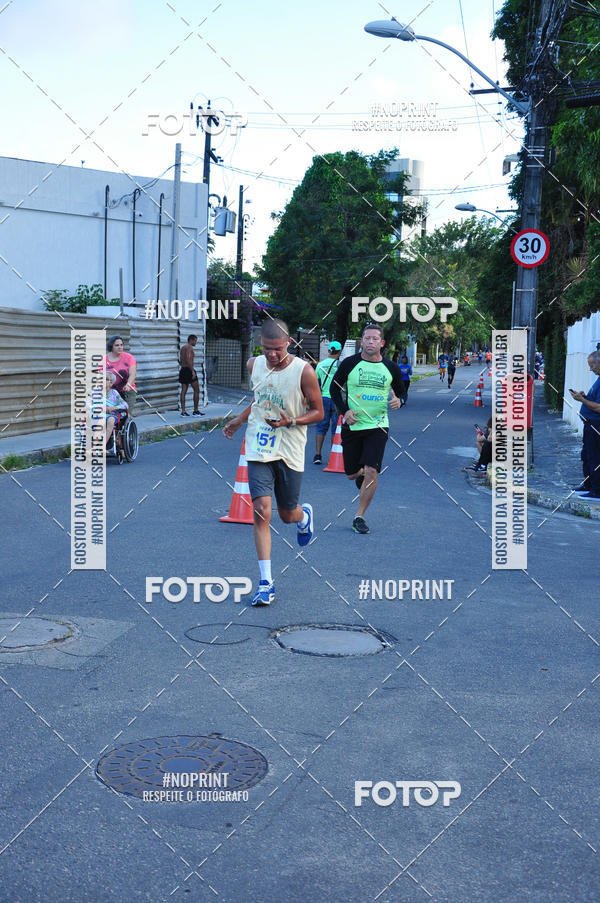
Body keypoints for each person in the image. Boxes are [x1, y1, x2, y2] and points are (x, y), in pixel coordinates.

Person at [222, 318, 324, 606]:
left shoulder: (303, 371)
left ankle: (303, 517)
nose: (271, 355)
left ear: (288, 343)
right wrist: (240, 420)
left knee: (286, 514)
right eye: (266, 349)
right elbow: (258, 400)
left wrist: (291, 420)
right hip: (259, 445)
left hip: (290, 447)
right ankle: (266, 582)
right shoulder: (254, 365)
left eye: (277, 349)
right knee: (262, 510)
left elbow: (318, 412)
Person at [330, 323, 404, 534]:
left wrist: (399, 401)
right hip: (353, 425)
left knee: (372, 470)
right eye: (367, 338)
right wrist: (345, 411)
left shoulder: (391, 368)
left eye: (375, 339)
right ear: (361, 341)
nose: (370, 342)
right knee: (352, 474)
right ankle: (360, 475)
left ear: (382, 343)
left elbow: (402, 393)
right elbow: (334, 389)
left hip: (378, 426)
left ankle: (359, 516)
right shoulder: (349, 364)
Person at [570, 351, 600, 499]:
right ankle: (588, 483)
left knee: (595, 457)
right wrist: (584, 397)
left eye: (593, 365)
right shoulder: (598, 380)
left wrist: (582, 401)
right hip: (590, 425)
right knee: (587, 455)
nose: (591, 369)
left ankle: (597, 489)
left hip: (596, 425)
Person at [313, 341, 342, 464]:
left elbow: (316, 384)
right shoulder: (341, 365)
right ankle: (333, 456)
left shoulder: (320, 365)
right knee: (336, 429)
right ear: (339, 352)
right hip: (337, 399)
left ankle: (318, 455)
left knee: (321, 427)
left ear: (329, 350)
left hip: (323, 398)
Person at [103, 335, 137, 414]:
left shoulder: (129, 358)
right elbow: (100, 375)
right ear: (111, 346)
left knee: (126, 415)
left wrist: (128, 385)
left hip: (127, 391)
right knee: (110, 413)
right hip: (111, 391)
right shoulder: (104, 359)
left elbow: (133, 374)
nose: (120, 347)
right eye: (117, 345)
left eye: (121, 345)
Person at [178, 334, 202, 416]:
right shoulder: (189, 347)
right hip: (189, 369)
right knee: (196, 390)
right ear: (191, 340)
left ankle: (183, 411)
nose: (196, 342)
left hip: (183, 369)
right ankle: (195, 410)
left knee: (183, 391)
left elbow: (180, 360)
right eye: (195, 340)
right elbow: (188, 359)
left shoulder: (182, 348)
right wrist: (192, 371)